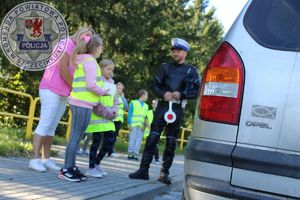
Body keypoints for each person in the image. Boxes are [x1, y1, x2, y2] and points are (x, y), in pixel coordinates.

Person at [129, 38, 200, 185]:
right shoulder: (164, 68)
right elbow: (154, 85)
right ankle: (143, 170)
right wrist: (162, 94)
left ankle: (164, 173)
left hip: (177, 108)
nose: (175, 53)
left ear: (185, 53)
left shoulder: (191, 71)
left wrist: (182, 94)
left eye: (178, 51)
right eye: (173, 50)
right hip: (162, 106)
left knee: (171, 141)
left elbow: (197, 91)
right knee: (152, 138)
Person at [29, 27, 95, 172]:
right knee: (45, 123)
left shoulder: (78, 51)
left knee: (52, 126)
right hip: (51, 88)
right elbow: (63, 69)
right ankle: (34, 159)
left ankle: (45, 159)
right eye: (86, 34)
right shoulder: (66, 43)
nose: (87, 37)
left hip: (63, 92)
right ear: (79, 32)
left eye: (90, 37)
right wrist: (75, 89)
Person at [58, 34, 106, 182]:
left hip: (81, 102)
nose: (102, 49)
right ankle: (67, 169)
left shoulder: (83, 59)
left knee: (76, 137)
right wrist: (102, 91)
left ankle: (70, 167)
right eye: (101, 47)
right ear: (97, 48)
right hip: (82, 103)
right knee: (76, 137)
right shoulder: (90, 62)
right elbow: (91, 85)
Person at [85, 59, 118, 178]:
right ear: (101, 68)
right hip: (98, 118)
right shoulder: (97, 80)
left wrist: (115, 110)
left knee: (109, 142)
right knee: (96, 143)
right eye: (108, 69)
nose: (110, 72)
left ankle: (97, 163)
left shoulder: (113, 82)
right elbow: (96, 100)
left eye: (112, 70)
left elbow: (115, 99)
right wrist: (107, 112)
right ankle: (91, 168)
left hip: (109, 119)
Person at [107, 82, 128, 158]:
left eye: (121, 89)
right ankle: (108, 150)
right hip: (112, 118)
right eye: (118, 88)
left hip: (119, 119)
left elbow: (126, 106)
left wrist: (123, 97)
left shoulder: (121, 98)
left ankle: (110, 151)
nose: (119, 90)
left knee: (114, 136)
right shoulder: (112, 95)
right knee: (109, 135)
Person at [127, 90, 149, 160]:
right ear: (142, 95)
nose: (147, 97)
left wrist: (144, 126)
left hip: (141, 126)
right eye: (146, 95)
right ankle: (130, 153)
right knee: (132, 139)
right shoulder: (133, 103)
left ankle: (136, 154)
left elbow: (146, 117)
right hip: (133, 125)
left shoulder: (146, 106)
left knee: (139, 140)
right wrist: (129, 124)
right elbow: (129, 114)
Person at [143, 99, 160, 164]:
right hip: (149, 132)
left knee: (156, 146)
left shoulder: (160, 113)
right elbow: (146, 121)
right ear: (152, 105)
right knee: (147, 145)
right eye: (153, 103)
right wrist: (150, 128)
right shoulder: (148, 112)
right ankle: (145, 158)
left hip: (156, 132)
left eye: (156, 103)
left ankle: (157, 159)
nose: (154, 104)